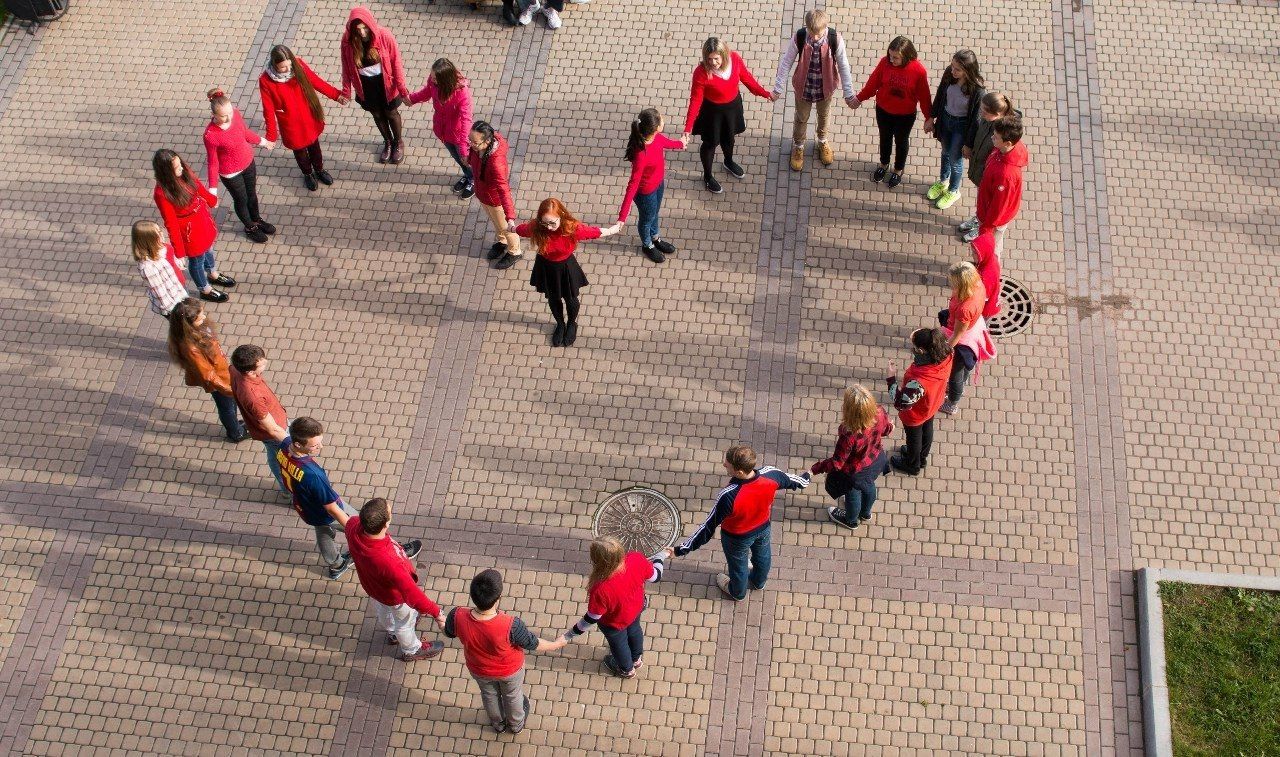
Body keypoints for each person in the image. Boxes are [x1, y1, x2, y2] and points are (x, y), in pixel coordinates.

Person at [672, 446, 810, 600]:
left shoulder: (728, 495)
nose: (724, 464)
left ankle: (738, 592)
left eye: (728, 464)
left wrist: (680, 549)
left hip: (736, 538)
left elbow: (707, 527)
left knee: (738, 566)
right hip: (763, 528)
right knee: (763, 556)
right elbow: (796, 481)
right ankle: (759, 582)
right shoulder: (771, 474)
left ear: (739, 472)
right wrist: (807, 476)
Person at [445, 569, 567, 732]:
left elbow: (448, 631)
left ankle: (498, 724)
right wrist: (556, 644)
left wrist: (441, 620)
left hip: (478, 669)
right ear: (498, 599)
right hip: (509, 671)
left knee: (489, 695)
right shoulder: (511, 625)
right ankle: (516, 725)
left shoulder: (457, 615)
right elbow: (533, 643)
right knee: (513, 696)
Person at [345, 498, 442, 662]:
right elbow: (414, 595)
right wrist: (437, 613)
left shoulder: (354, 527)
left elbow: (345, 520)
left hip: (375, 589)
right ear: (386, 524)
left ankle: (391, 633)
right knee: (404, 622)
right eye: (390, 512)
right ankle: (412, 650)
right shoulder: (390, 562)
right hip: (395, 597)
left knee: (383, 611)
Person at [516, 198, 622, 347]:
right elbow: (522, 230)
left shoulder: (571, 228)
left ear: (561, 215)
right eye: (544, 222)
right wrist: (511, 227)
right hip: (546, 267)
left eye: (552, 222)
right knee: (553, 299)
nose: (549, 227)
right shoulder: (537, 227)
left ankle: (571, 323)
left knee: (571, 299)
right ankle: (560, 324)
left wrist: (613, 230)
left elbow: (593, 232)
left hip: (566, 267)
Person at [276, 416, 371, 579]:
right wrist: (351, 528)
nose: (321, 446)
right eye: (315, 445)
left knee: (323, 532)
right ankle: (379, 548)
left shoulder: (285, 445)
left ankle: (336, 564)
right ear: (298, 444)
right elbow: (332, 508)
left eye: (320, 441)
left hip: (305, 506)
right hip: (324, 508)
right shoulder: (313, 475)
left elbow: (276, 432)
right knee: (362, 525)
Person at [561, 537, 667, 679]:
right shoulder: (636, 558)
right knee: (635, 630)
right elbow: (656, 576)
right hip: (637, 608)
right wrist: (660, 556)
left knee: (619, 644)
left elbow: (593, 617)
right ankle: (636, 659)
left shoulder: (600, 588)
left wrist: (570, 634)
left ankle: (627, 669)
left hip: (614, 623)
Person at [682, 37, 775, 194]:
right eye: (709, 59)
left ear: (723, 55)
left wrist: (765, 94)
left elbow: (748, 79)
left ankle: (728, 161)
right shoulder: (701, 73)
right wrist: (687, 128)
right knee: (711, 144)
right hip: (712, 112)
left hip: (732, 108)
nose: (713, 63)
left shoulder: (735, 59)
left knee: (729, 138)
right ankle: (708, 176)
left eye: (716, 59)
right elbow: (695, 100)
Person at [771, 9, 856, 172]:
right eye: (812, 33)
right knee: (801, 118)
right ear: (807, 27)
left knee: (824, 116)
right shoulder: (800, 37)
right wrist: (778, 88)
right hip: (804, 88)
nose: (815, 37)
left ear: (826, 27)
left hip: (826, 89)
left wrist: (849, 93)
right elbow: (786, 62)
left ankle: (823, 141)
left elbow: (844, 66)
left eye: (819, 33)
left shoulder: (834, 38)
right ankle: (798, 146)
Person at [259, 44, 347, 192]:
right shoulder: (265, 81)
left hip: (309, 118)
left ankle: (319, 170)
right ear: (274, 65)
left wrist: (336, 95)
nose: (288, 70)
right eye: (283, 67)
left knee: (315, 147)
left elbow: (316, 81)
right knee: (300, 153)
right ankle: (307, 174)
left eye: (289, 65)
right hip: (290, 124)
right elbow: (268, 110)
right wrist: (271, 137)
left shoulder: (298, 65)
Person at [152, 149, 234, 303]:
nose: (182, 169)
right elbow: (171, 223)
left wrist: (211, 199)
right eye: (177, 168)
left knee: (209, 248)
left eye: (180, 165)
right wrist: (179, 252)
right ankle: (204, 288)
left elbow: (197, 186)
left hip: (201, 218)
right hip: (189, 230)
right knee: (197, 260)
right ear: (166, 172)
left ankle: (212, 273)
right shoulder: (162, 193)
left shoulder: (183, 171)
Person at [852, 36, 933, 189]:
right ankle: (883, 164)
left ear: (907, 55)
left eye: (896, 57)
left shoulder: (918, 71)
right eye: (890, 55)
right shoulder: (885, 63)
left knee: (901, 142)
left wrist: (929, 117)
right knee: (885, 138)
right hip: (883, 111)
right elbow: (872, 84)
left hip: (905, 116)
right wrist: (859, 98)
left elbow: (924, 97)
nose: (892, 60)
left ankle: (898, 169)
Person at [810, 385, 894, 530]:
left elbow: (837, 463)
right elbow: (886, 429)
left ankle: (851, 520)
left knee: (852, 494)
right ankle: (866, 513)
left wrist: (815, 469)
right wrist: (890, 427)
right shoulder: (879, 412)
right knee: (869, 486)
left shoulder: (849, 434)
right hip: (875, 460)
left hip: (855, 471)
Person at [166, 299, 246, 442]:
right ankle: (235, 432)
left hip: (222, 373)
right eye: (200, 316)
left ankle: (233, 423)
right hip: (218, 381)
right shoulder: (191, 347)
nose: (204, 317)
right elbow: (208, 375)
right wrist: (228, 389)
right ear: (189, 323)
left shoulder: (196, 330)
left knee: (229, 405)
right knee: (226, 406)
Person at [202, 88, 276, 243]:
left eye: (230, 112)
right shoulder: (211, 135)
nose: (229, 117)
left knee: (252, 195)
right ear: (213, 115)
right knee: (241, 200)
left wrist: (263, 142)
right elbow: (213, 162)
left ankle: (256, 220)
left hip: (248, 162)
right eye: (223, 115)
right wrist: (213, 191)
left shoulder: (235, 114)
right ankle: (250, 227)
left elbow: (244, 132)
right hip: (230, 173)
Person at [341, 7, 409, 164]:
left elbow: (396, 63)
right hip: (365, 86)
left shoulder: (384, 36)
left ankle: (398, 142)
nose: (363, 33)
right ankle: (388, 142)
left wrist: (402, 90)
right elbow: (346, 67)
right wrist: (346, 91)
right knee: (377, 115)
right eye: (358, 30)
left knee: (391, 113)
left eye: (365, 28)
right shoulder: (347, 41)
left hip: (386, 84)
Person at [619, 108, 687, 263]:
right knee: (647, 219)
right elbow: (633, 184)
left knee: (655, 213)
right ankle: (647, 245)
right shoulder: (641, 154)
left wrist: (680, 144)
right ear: (656, 128)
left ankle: (655, 238)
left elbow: (666, 143)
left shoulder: (655, 137)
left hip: (658, 184)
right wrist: (622, 216)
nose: (663, 120)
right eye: (661, 120)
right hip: (645, 193)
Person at [887, 328, 953, 475]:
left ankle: (912, 464)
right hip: (933, 403)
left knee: (914, 438)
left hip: (916, 414)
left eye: (915, 347)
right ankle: (921, 458)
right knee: (927, 430)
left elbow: (900, 403)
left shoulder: (920, 382)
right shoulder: (946, 354)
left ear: (922, 351)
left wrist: (891, 379)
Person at [926, 50, 985, 210]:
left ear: (968, 71)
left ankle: (953, 190)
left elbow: (975, 120)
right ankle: (943, 182)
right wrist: (932, 117)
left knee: (955, 160)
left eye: (957, 69)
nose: (953, 71)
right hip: (946, 120)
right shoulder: (949, 74)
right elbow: (940, 95)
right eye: (952, 66)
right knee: (945, 152)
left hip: (961, 126)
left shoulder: (977, 90)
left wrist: (968, 144)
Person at [407, 58, 474, 198]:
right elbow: (427, 92)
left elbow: (466, 121)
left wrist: (463, 146)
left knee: (465, 159)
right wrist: (412, 99)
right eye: (431, 76)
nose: (432, 79)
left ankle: (474, 180)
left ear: (445, 79)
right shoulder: (434, 83)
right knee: (457, 158)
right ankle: (468, 176)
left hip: (457, 136)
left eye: (435, 78)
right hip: (443, 131)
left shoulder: (462, 93)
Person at [957, 92, 1018, 242]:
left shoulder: (1002, 134)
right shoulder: (987, 120)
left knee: (986, 204)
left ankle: (980, 228)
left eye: (985, 111)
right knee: (981, 200)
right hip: (980, 169)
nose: (981, 113)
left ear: (997, 114)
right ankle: (978, 219)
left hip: (988, 177)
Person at [937, 262, 996, 416]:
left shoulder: (965, 308)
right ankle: (961, 384)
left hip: (962, 341)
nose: (951, 283)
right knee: (962, 371)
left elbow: (958, 334)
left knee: (955, 374)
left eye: (953, 281)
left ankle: (952, 403)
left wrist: (944, 351)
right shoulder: (978, 285)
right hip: (974, 329)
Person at [229, 345, 289, 493]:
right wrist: (291, 444)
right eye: (262, 364)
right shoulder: (253, 397)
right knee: (280, 461)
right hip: (275, 432)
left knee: (274, 456)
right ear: (249, 371)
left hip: (276, 424)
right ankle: (288, 492)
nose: (266, 362)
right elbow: (271, 429)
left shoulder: (235, 369)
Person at [468, 121, 522, 270]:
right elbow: (473, 156)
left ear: (487, 141)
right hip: (484, 195)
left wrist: (510, 217)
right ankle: (502, 241)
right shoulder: (478, 147)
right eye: (470, 140)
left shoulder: (495, 162)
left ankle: (515, 251)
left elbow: (504, 190)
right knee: (496, 223)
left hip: (495, 200)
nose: (471, 144)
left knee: (505, 226)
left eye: (475, 142)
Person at [975, 115, 1028, 256]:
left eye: (996, 137)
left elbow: (999, 207)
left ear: (1008, 143)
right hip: (988, 210)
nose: (992, 138)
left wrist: (986, 227)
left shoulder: (1006, 176)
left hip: (992, 220)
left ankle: (990, 274)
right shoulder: (1005, 150)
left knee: (992, 250)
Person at [131, 220, 188, 318]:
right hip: (172, 303)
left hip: (179, 287)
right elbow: (159, 292)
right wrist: (174, 311)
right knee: (182, 327)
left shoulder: (164, 247)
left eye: (160, 230)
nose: (162, 234)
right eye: (158, 233)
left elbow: (174, 260)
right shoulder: (147, 267)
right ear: (150, 240)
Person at [971, 230, 1002, 319]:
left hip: (986, 310)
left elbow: (982, 298)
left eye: (975, 253)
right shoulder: (992, 258)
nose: (972, 255)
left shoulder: (986, 278)